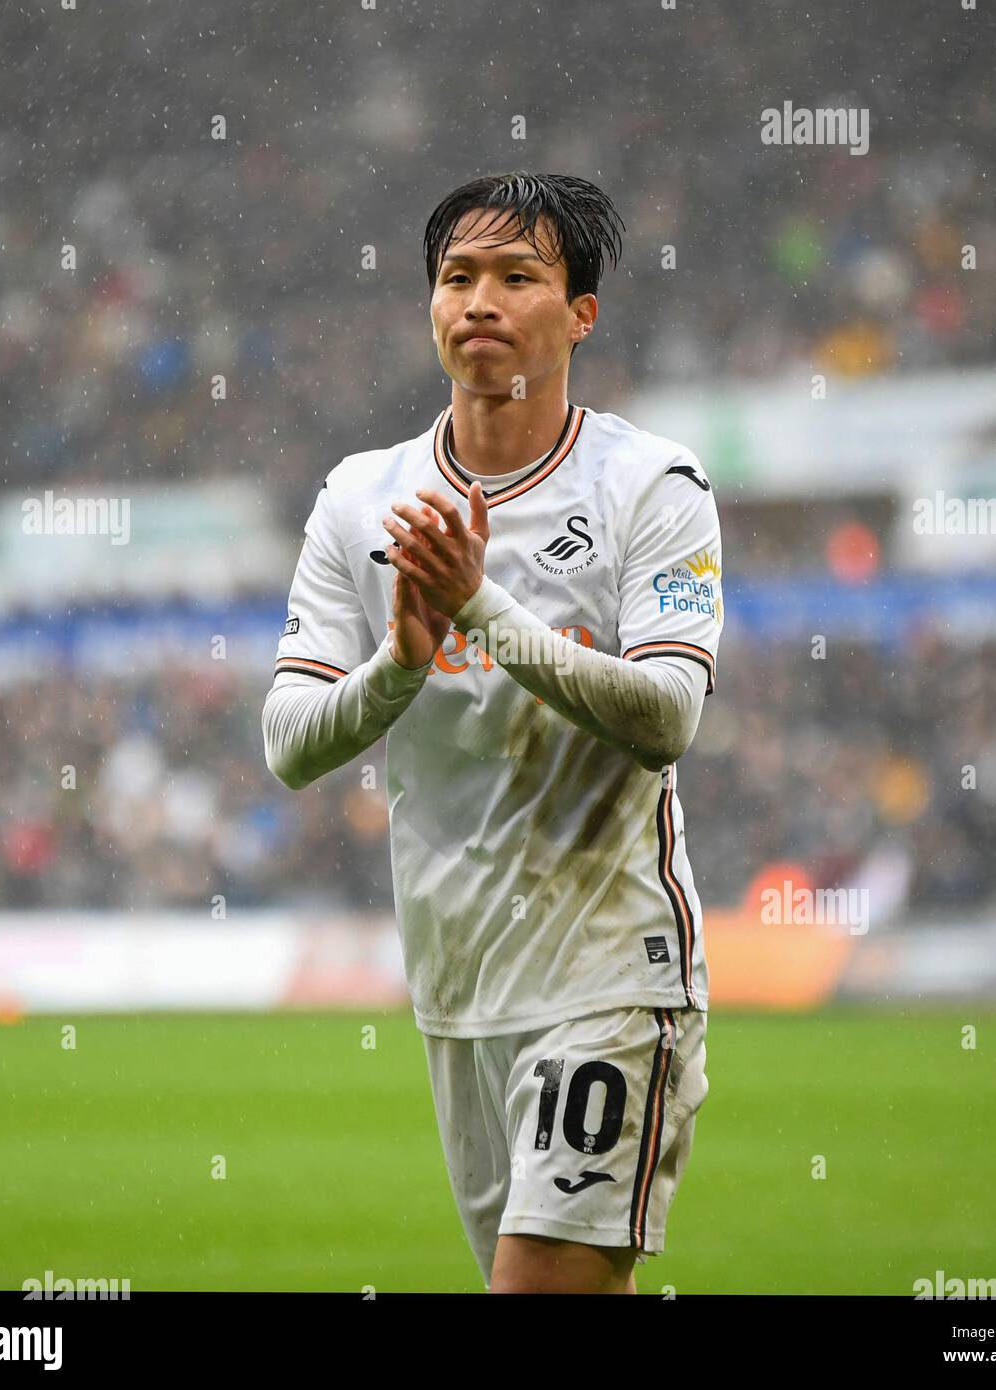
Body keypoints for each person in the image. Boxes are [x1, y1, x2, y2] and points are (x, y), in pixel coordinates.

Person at [262, 172, 723, 1293]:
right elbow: (289, 741)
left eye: (518, 276)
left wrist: (477, 607)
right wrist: (400, 665)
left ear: (579, 316)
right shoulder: (360, 498)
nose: (479, 299)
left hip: (608, 969)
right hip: (456, 985)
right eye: (456, 276)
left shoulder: (649, 488)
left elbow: (668, 716)